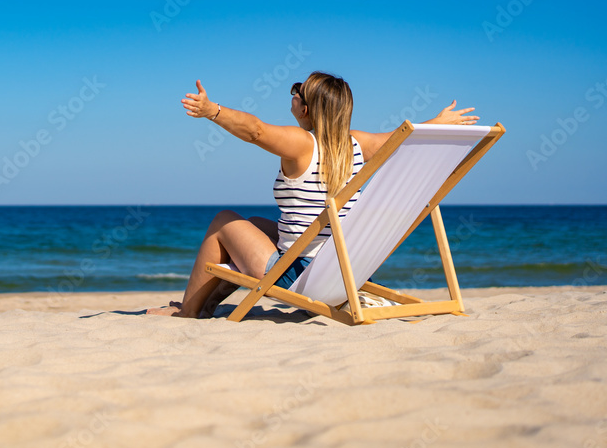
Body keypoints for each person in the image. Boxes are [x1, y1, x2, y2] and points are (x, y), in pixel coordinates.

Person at [147, 71, 479, 318]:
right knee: (258, 224)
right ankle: (206, 304)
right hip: (343, 270)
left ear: (307, 109)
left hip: (298, 274)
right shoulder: (358, 143)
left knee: (224, 221)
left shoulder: (303, 143)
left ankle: (187, 313)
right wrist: (436, 122)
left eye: (297, 93)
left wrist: (212, 111)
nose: (292, 96)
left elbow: (256, 130)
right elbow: (401, 137)